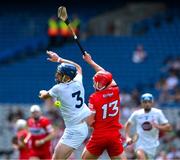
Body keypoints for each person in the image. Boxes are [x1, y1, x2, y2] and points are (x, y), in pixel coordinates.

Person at [39, 51, 92, 159]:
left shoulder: (58, 88)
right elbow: (78, 67)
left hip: (74, 130)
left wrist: (42, 92)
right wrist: (59, 60)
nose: (56, 76)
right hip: (80, 127)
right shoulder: (77, 81)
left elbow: (44, 96)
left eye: (59, 74)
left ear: (66, 77)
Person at [81, 53, 127, 160]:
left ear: (98, 84)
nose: (93, 81)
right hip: (114, 135)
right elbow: (104, 74)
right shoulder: (115, 90)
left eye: (95, 80)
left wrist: (84, 115)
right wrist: (90, 61)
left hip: (99, 135)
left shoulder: (94, 97)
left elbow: (90, 122)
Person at [124, 93, 172, 160]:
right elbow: (127, 125)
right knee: (140, 155)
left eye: (149, 102)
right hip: (140, 143)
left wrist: (157, 126)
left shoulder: (158, 113)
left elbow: (169, 128)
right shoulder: (136, 113)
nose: (147, 104)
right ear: (141, 103)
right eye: (145, 102)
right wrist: (127, 137)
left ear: (152, 102)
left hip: (153, 145)